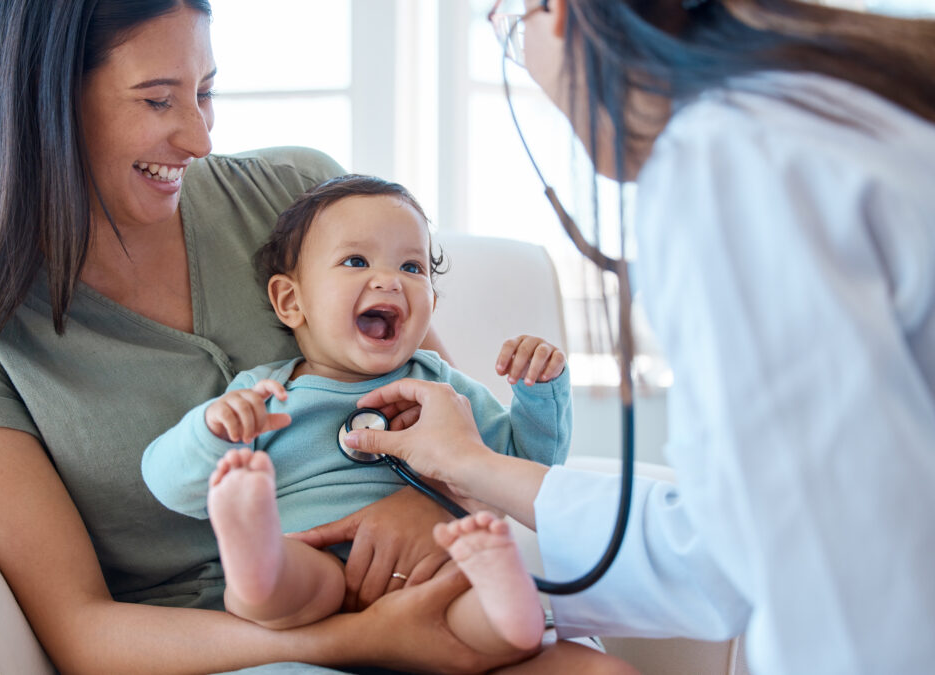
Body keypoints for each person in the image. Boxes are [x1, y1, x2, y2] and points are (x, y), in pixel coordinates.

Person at [0, 1, 640, 673]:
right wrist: (353, 639)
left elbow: (441, 413)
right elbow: (82, 630)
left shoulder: (296, 196)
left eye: (206, 91)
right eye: (158, 100)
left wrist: (423, 506)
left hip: (423, 586)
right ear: (42, 102)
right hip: (228, 645)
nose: (200, 137)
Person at [336, 1, 935, 674]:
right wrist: (474, 467)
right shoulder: (838, 107)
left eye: (510, 30)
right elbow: (741, 539)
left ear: (557, 13)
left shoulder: (730, 162)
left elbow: (833, 580)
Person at [142, 174, 571, 656]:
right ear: (291, 301)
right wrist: (212, 431)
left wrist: (538, 392)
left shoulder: (442, 387)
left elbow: (523, 467)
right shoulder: (266, 394)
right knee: (278, 589)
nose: (390, 279)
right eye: (355, 261)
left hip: (432, 572)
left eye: (412, 266)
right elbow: (168, 484)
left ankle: (507, 600)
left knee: (481, 617)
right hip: (312, 561)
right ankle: (255, 549)